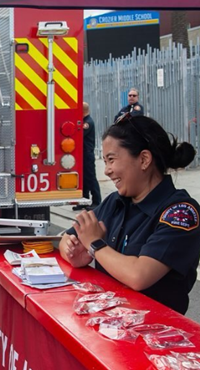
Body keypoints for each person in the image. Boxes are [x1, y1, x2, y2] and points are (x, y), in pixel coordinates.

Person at [60, 113, 200, 315]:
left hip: (156, 334)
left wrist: (96, 246)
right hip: (109, 323)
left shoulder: (180, 212)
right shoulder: (115, 202)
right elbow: (67, 238)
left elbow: (139, 275)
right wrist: (74, 253)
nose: (107, 171)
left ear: (144, 159)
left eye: (111, 160)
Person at [73, 102, 102, 211]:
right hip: (83, 154)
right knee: (83, 178)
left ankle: (97, 201)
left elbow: (78, 134)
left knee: (91, 177)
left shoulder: (88, 123)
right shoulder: (85, 121)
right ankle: (84, 200)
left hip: (87, 154)